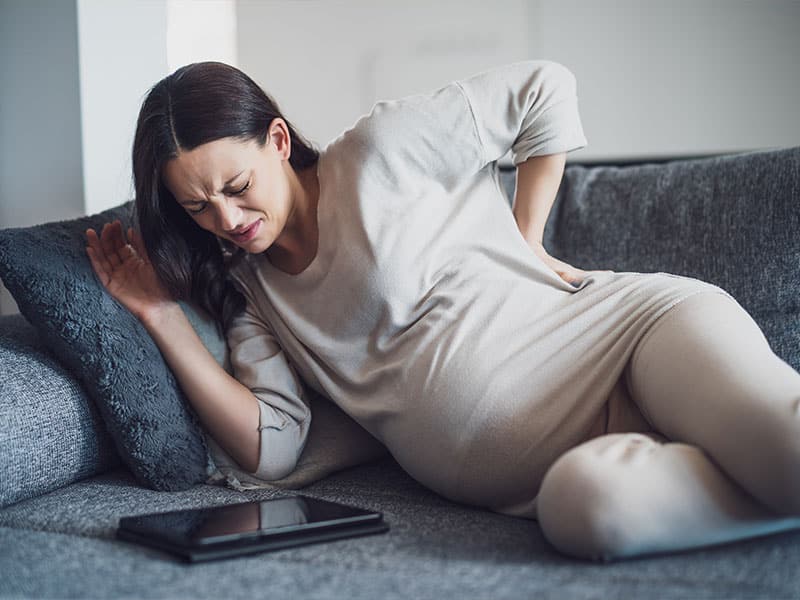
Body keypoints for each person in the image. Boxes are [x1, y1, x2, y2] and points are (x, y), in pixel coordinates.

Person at [85, 60, 800, 562]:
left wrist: (525, 242)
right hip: (570, 472)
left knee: (786, 453)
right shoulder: (255, 296)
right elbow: (270, 446)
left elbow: (545, 89)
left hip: (631, 339)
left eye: (237, 186)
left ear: (276, 141)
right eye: (197, 207)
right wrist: (162, 318)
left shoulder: (377, 152)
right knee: (590, 515)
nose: (227, 219)